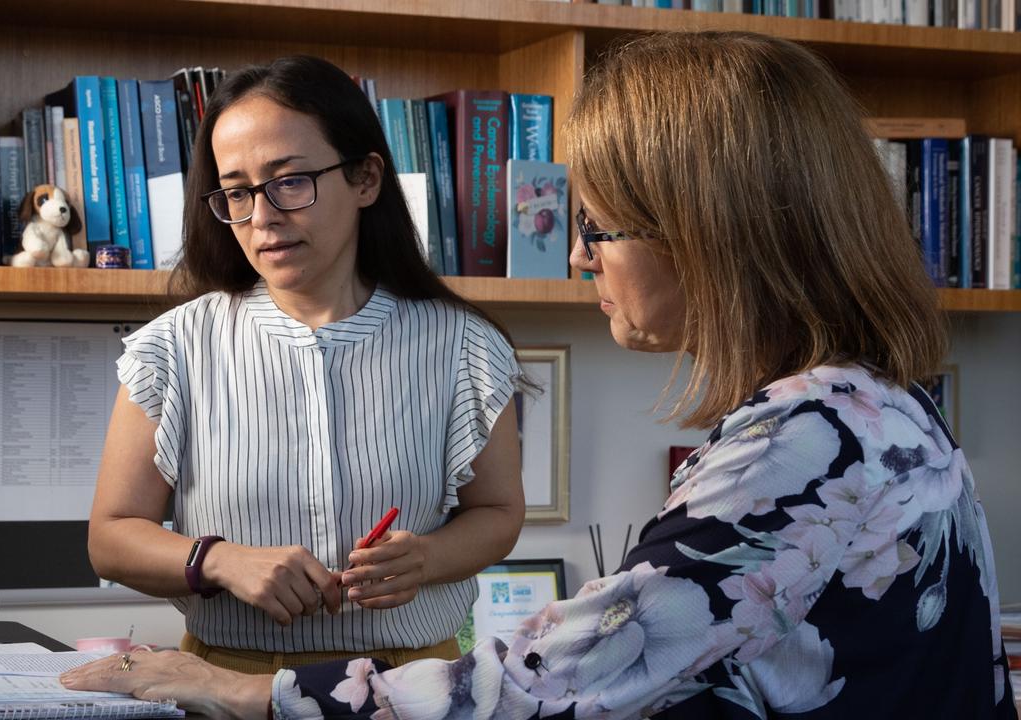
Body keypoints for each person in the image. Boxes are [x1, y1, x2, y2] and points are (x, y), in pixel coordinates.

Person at [62, 31, 1017, 718]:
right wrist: (217, 583)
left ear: (715, 238)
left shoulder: (809, 439)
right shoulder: (871, 411)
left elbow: (551, 680)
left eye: (599, 227)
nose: (577, 257)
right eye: (235, 193)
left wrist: (244, 693)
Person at [86, 54, 528, 673]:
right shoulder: (173, 347)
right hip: (225, 682)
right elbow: (111, 536)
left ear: (366, 178)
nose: (262, 218)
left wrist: (426, 557)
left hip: (414, 685)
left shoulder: (465, 345)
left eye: (290, 181)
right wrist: (218, 560)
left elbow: (498, 512)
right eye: (237, 192)